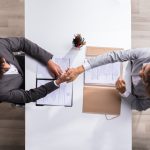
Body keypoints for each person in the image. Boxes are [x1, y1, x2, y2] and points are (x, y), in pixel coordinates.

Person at [66, 48, 150, 111]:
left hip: (124, 96)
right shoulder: (146, 54)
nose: (139, 73)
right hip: (125, 68)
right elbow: (115, 56)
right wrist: (78, 70)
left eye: (144, 78)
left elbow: (140, 106)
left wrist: (124, 92)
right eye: (144, 67)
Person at [0, 37, 69, 104]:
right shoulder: (1, 92)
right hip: (22, 88)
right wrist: (57, 82)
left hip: (27, 63)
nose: (8, 65)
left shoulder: (1, 46)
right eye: (5, 68)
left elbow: (23, 42)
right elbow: (27, 96)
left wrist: (48, 60)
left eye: (3, 61)